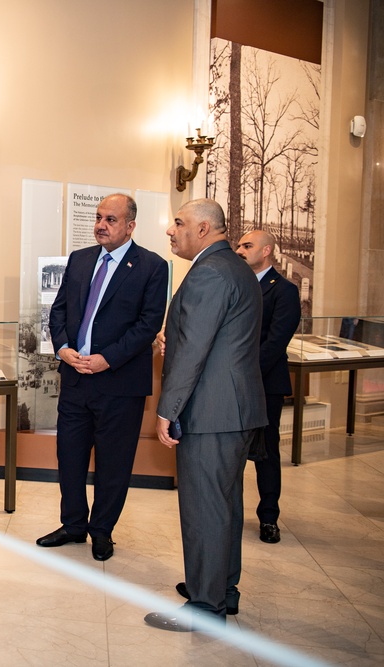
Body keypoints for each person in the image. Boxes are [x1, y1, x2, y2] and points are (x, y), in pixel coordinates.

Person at [144, 198, 266, 632]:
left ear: (203, 229)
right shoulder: (235, 268)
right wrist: (170, 341)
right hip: (234, 408)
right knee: (225, 505)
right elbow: (213, 340)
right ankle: (220, 589)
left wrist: (167, 409)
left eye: (178, 223)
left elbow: (195, 351)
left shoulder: (209, 272)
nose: (171, 231)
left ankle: (206, 605)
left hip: (212, 411)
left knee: (204, 508)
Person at [36, 193, 167, 561]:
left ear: (130, 226)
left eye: (111, 219)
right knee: (70, 457)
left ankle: (102, 530)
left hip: (119, 383)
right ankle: (74, 524)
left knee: (113, 462)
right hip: (76, 378)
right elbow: (58, 311)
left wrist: (107, 359)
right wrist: (62, 348)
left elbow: (147, 326)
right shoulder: (79, 260)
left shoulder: (152, 267)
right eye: (98, 217)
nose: (101, 225)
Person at [235, 229, 301, 543]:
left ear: (266, 251)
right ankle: (228, 514)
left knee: (265, 452)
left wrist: (244, 372)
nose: (239, 250)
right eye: (237, 245)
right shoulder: (235, 286)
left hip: (264, 383)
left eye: (246, 246)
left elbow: (276, 342)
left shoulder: (284, 290)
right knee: (230, 450)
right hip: (231, 382)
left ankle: (269, 517)